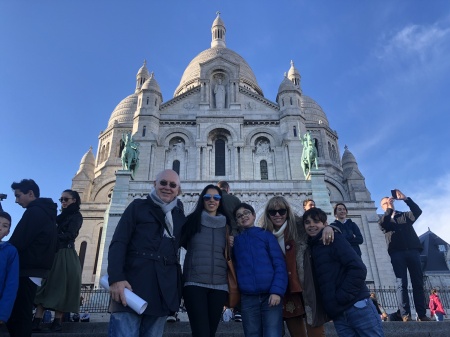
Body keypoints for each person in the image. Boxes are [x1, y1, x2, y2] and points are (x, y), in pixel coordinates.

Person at [107, 169, 186, 337]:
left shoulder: (179, 217)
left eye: (173, 185)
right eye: (163, 183)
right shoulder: (137, 207)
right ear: (154, 184)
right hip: (131, 286)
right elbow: (119, 242)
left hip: (162, 290)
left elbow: (195, 243)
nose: (167, 187)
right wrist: (116, 278)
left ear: (178, 190)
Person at [303, 207, 385, 337]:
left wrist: (342, 297)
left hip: (356, 305)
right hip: (339, 313)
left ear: (325, 224)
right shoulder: (312, 248)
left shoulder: (334, 239)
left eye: (316, 222)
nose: (312, 225)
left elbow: (358, 268)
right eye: (307, 223)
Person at [262, 196, 333, 337]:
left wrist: (330, 227)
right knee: (297, 333)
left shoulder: (300, 226)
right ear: (267, 214)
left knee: (316, 331)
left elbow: (317, 227)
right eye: (273, 211)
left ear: (287, 212)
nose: (277, 215)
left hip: (307, 284)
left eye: (282, 211)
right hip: (287, 289)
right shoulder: (264, 234)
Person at [7, 179, 57, 337]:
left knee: (19, 315)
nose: (16, 200)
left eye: (18, 195)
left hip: (26, 269)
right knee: (22, 312)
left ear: (30, 194)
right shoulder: (46, 213)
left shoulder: (35, 212)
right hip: (36, 269)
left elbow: (19, 240)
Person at [180, 184, 230, 337]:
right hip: (195, 284)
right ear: (202, 199)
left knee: (210, 332)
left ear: (220, 201)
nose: (212, 200)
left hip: (219, 286)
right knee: (201, 332)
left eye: (216, 197)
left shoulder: (227, 226)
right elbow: (180, 243)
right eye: (207, 197)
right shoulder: (191, 221)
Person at [233, 203, 288, 337]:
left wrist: (277, 291)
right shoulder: (235, 241)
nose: (243, 216)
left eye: (246, 213)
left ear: (254, 215)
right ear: (237, 221)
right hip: (247, 298)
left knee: (272, 334)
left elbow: (280, 264)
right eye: (239, 216)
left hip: (270, 295)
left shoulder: (266, 236)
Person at [33, 189, 83, 332]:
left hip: (65, 253)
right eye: (61, 199)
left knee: (61, 286)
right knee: (44, 285)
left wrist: (51, 236)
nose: (63, 202)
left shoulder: (76, 216)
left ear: (74, 200)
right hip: (53, 252)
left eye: (66, 199)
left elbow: (70, 234)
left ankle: (57, 322)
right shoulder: (57, 217)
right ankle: (36, 321)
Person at [378, 189, 430, 322]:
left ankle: (422, 314)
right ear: (382, 207)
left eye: (389, 201)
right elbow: (384, 224)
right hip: (397, 253)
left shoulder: (404, 216)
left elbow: (417, 212)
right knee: (401, 284)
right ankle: (405, 314)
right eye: (385, 203)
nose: (388, 204)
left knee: (418, 283)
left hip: (413, 250)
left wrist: (406, 199)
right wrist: (389, 210)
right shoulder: (384, 220)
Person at [0, 211, 19, 326]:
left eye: (5, 226)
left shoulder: (10, 252)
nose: (0, 228)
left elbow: (11, 284)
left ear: (8, 232)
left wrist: (3, 314)